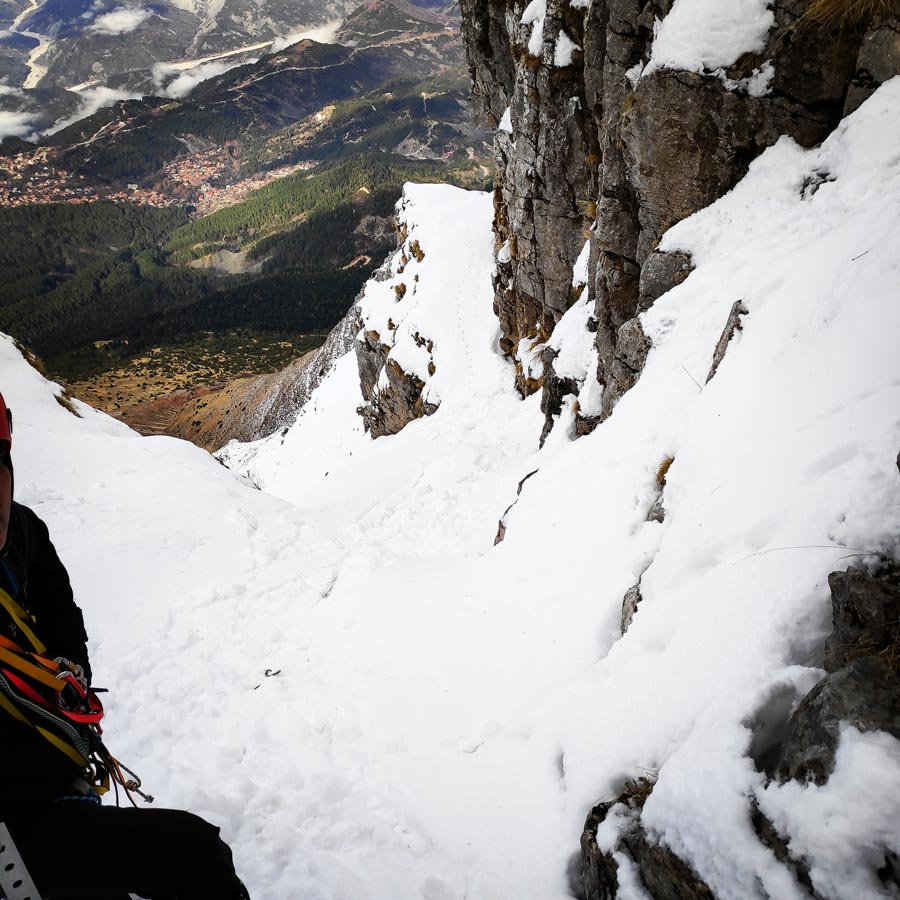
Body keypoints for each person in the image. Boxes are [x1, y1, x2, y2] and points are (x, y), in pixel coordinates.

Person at [0, 391, 250, 900]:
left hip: (52, 788)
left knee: (198, 856)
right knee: (193, 858)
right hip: (21, 825)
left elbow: (63, 617)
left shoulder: (24, 534)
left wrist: (71, 673)